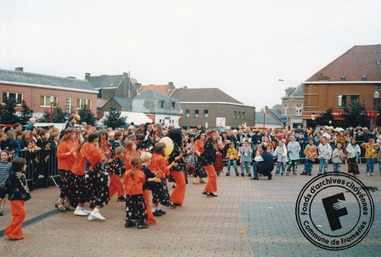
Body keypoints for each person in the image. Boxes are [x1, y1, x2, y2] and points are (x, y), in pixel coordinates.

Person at [1, 158, 31, 240]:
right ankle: (10, 230)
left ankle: (16, 232)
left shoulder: (22, 175)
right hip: (15, 198)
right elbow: (6, 187)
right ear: (19, 166)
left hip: (21, 198)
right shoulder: (13, 176)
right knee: (21, 214)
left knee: (17, 216)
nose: (26, 166)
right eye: (24, 165)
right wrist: (1, 196)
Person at [123, 157, 149, 229]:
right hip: (138, 192)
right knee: (141, 207)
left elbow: (125, 182)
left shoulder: (127, 172)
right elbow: (143, 182)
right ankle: (141, 222)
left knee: (129, 207)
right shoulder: (141, 173)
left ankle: (128, 221)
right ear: (139, 165)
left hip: (129, 193)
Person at [168, 129, 186, 207]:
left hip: (179, 165)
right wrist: (179, 157)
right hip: (175, 166)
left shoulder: (177, 144)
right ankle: (173, 199)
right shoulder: (173, 145)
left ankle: (177, 200)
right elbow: (171, 158)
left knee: (181, 183)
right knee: (181, 183)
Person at [201, 130, 222, 197]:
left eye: (216, 135)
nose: (215, 137)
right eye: (214, 135)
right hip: (206, 161)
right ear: (210, 136)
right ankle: (206, 190)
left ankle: (210, 190)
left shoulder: (212, 143)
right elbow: (207, 153)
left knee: (211, 176)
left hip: (209, 161)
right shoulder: (208, 144)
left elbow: (219, 148)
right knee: (213, 175)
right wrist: (215, 153)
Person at [0, 150, 12, 215]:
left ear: (8, 156)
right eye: (2, 155)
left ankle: (1, 210)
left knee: (2, 197)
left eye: (5, 155)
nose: (3, 157)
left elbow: (11, 174)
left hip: (5, 184)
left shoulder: (10, 165)